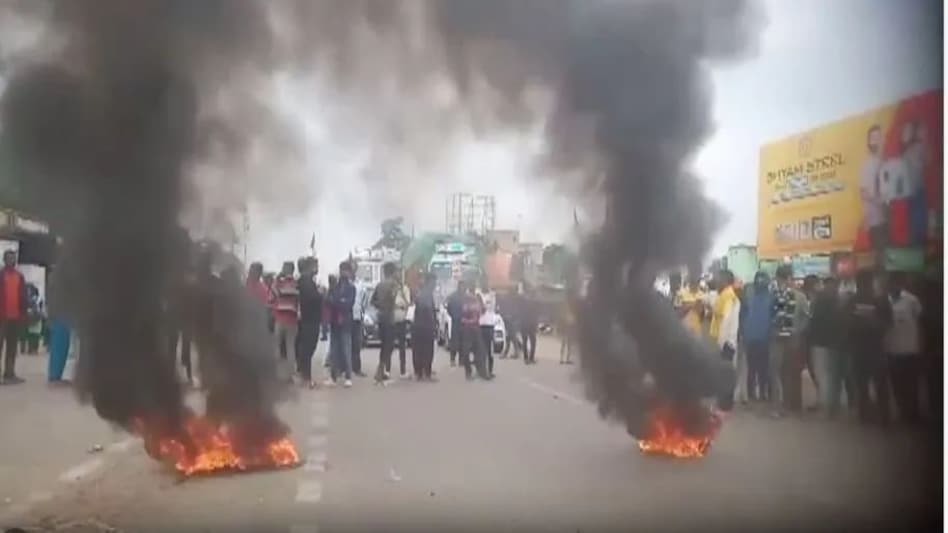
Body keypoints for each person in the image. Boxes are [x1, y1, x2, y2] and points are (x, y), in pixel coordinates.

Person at [845, 269, 893, 425]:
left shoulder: (878, 300)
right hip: (868, 349)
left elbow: (888, 323)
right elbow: (846, 323)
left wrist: (869, 325)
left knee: (869, 385)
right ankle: (875, 416)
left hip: (867, 349)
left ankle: (874, 416)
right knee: (871, 385)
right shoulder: (876, 300)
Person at [884, 272, 923, 425]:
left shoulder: (912, 300)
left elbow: (920, 322)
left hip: (910, 349)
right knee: (896, 384)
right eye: (890, 284)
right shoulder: (883, 300)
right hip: (891, 350)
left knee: (911, 383)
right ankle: (902, 412)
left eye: (896, 283)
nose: (893, 286)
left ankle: (913, 413)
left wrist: (921, 344)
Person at [809, 277, 845, 418]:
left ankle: (826, 404)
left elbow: (814, 321)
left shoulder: (820, 301)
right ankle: (830, 405)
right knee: (830, 375)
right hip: (831, 343)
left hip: (822, 342)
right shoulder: (839, 301)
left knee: (824, 374)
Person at [768, 265, 799, 418]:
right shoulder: (792, 294)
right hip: (789, 336)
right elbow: (790, 316)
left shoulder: (779, 292)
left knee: (775, 372)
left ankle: (776, 408)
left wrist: (773, 327)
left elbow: (779, 315)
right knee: (785, 372)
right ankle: (785, 407)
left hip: (777, 336)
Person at [710, 269, 740, 411]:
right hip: (724, 341)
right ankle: (724, 402)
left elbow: (726, 321)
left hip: (726, 342)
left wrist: (721, 343)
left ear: (725, 280)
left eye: (718, 278)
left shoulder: (729, 297)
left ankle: (725, 404)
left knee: (725, 373)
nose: (716, 281)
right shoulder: (723, 295)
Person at [743, 272, 773, 403]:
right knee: (761, 368)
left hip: (754, 338)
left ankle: (754, 394)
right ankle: (761, 393)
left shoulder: (749, 298)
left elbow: (743, 318)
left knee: (754, 368)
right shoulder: (771, 298)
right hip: (762, 338)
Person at [326, 261, 356, 387]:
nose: (343, 273)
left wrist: (336, 301)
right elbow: (328, 301)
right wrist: (338, 301)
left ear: (349, 272)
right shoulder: (335, 287)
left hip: (345, 322)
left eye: (345, 270)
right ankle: (333, 377)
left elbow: (349, 304)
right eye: (341, 270)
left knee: (346, 350)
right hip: (334, 322)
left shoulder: (351, 288)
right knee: (333, 350)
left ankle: (348, 377)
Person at [0, 250, 27, 384]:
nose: (12, 260)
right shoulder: (0, 275)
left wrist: (23, 314)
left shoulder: (19, 276)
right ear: (4, 260)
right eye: (9, 258)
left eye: (14, 258)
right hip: (1, 317)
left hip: (15, 317)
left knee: (12, 347)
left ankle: (9, 374)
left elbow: (24, 296)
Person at [271, 261, 299, 383]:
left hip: (279, 319)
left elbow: (271, 297)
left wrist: (277, 277)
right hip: (292, 320)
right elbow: (298, 302)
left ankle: (276, 373)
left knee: (276, 346)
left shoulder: (278, 283)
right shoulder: (296, 284)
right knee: (290, 348)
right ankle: (290, 375)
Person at [296, 257, 323, 388]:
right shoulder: (307, 282)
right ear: (310, 267)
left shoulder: (305, 281)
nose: (317, 268)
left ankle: (305, 376)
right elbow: (312, 299)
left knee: (306, 349)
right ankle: (306, 378)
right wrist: (321, 294)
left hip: (308, 319)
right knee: (308, 349)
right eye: (316, 265)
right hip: (310, 319)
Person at [372, 262, 398, 385]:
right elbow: (393, 298)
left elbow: (373, 301)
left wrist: (380, 306)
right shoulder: (393, 285)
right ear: (392, 272)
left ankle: (382, 371)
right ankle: (380, 370)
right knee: (389, 345)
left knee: (384, 345)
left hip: (381, 317)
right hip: (389, 318)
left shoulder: (379, 285)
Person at [459, 281, 490, 380]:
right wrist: (470, 320)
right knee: (469, 351)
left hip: (474, 328)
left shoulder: (476, 298)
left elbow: (483, 310)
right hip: (469, 328)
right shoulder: (468, 299)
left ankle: (480, 372)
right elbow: (463, 315)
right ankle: (472, 372)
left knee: (479, 351)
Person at [412, 272, 438, 381]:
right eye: (434, 282)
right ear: (430, 282)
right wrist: (433, 323)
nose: (435, 284)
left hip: (418, 325)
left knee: (418, 349)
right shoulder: (427, 293)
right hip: (426, 325)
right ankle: (426, 373)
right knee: (427, 350)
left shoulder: (420, 292)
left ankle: (419, 372)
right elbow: (427, 309)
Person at [392, 270, 411, 379]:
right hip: (392, 320)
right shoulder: (391, 289)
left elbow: (407, 304)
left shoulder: (405, 289)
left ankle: (402, 370)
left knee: (402, 347)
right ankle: (386, 370)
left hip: (402, 320)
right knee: (389, 346)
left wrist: (402, 294)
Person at [351, 273, 370, 377]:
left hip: (357, 317)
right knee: (346, 344)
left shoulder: (361, 285)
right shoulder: (345, 284)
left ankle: (357, 368)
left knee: (357, 344)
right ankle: (344, 368)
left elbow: (365, 300)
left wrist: (362, 311)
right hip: (347, 317)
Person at [477, 281, 497, 377]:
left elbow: (491, 307)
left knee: (489, 350)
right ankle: (482, 371)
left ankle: (489, 371)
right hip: (480, 325)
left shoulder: (492, 295)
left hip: (490, 325)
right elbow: (480, 309)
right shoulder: (478, 295)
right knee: (481, 350)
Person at [445, 281, 466, 367]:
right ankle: (452, 359)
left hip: (464, 321)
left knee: (463, 341)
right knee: (454, 342)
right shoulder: (453, 296)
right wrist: (453, 316)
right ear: (458, 286)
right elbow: (448, 308)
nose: (463, 288)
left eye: (464, 286)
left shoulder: (466, 297)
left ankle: (461, 360)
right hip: (456, 321)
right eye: (462, 286)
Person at [519, 284, 539, 365]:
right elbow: (536, 314)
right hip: (529, 323)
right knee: (532, 341)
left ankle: (527, 358)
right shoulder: (533, 301)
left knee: (526, 341)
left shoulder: (524, 300)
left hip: (525, 323)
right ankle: (530, 358)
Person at [558, 298, 576, 365]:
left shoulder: (571, 313)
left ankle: (565, 359)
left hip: (568, 331)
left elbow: (573, 323)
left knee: (568, 345)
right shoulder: (563, 314)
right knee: (565, 345)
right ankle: (562, 359)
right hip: (566, 330)